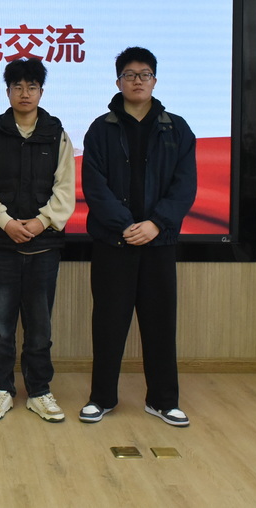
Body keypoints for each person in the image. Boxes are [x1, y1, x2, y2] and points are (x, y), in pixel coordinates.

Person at [80, 46, 196, 427]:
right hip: (114, 243)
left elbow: (185, 186)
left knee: (160, 324)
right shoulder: (101, 128)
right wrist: (126, 225)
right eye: (129, 75)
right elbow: (94, 186)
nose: (137, 81)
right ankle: (102, 398)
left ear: (155, 81)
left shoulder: (177, 129)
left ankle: (163, 400)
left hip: (158, 243)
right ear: (118, 82)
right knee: (108, 324)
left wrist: (156, 224)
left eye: (144, 74)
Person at [0, 58, 75, 423]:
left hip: (44, 247)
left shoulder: (57, 135)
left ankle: (39, 391)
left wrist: (41, 221)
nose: (24, 93)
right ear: (8, 92)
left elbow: (65, 188)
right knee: (1, 327)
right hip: (2, 247)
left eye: (31, 87)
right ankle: (1, 389)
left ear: (41, 92)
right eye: (17, 87)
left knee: (39, 327)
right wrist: (5, 222)